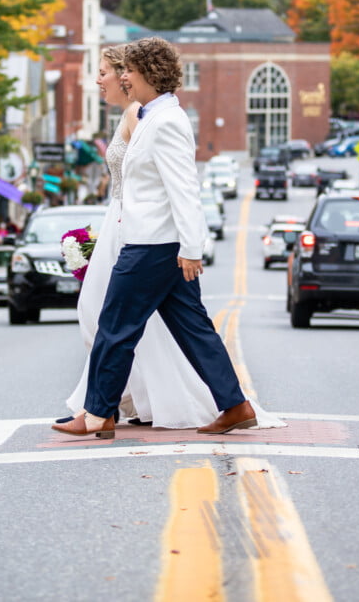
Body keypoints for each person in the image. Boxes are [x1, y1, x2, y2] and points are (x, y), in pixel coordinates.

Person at [54, 37, 282, 439]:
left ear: (148, 73)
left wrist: (193, 249)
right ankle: (236, 406)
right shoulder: (152, 116)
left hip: (153, 245)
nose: (124, 75)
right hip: (160, 246)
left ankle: (97, 414)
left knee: (115, 326)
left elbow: (184, 189)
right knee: (192, 328)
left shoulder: (168, 122)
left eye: (130, 69)